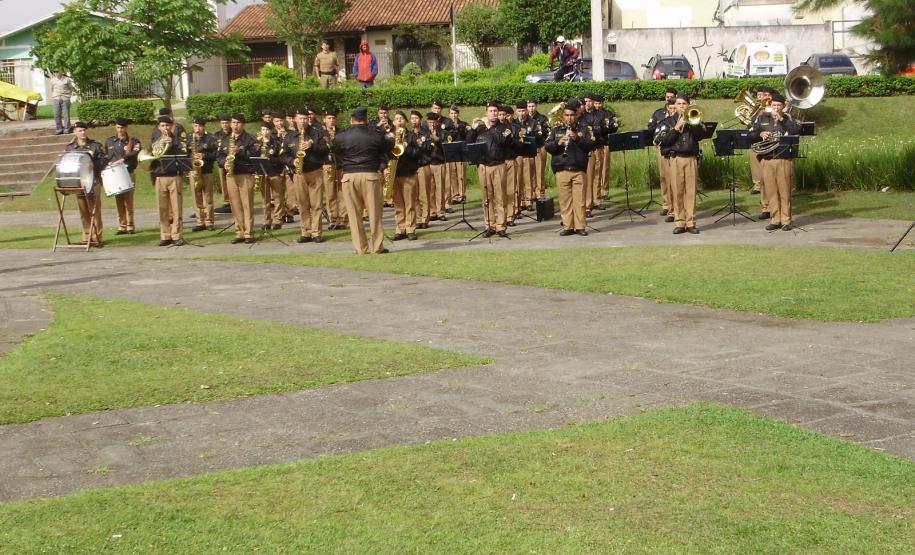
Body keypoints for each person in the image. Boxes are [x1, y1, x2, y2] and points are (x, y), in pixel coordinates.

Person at [332, 107, 393, 254]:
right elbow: (388, 149)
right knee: (375, 213)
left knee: (354, 214)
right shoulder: (376, 134)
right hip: (370, 175)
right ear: (365, 120)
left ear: (351, 120)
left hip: (349, 176)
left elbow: (335, 153)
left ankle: (360, 247)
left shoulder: (341, 136)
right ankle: (377, 246)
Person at [748, 92, 802, 231]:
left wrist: (782, 119)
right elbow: (750, 134)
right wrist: (760, 134)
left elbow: (796, 130)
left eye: (779, 105)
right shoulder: (762, 118)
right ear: (770, 105)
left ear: (783, 106)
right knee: (771, 190)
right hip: (767, 158)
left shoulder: (788, 118)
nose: (776, 108)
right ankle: (775, 219)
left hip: (783, 159)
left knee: (784, 191)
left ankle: (786, 220)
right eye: (774, 105)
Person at [656, 94, 708, 235]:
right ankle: (680, 222)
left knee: (691, 191)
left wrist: (694, 123)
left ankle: (691, 222)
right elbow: (664, 141)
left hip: (691, 158)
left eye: (684, 104)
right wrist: (676, 128)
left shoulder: (694, 119)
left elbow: (701, 136)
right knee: (677, 191)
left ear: (688, 105)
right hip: (675, 158)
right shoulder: (668, 122)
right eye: (679, 104)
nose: (681, 106)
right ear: (675, 105)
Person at [545, 100, 594, 236]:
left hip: (578, 169)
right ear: (563, 116)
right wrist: (558, 142)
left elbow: (590, 144)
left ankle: (580, 227)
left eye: (572, 115)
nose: (569, 118)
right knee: (565, 201)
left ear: (576, 115)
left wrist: (577, 139)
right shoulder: (556, 130)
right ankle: (568, 226)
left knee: (579, 201)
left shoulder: (584, 129)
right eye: (566, 115)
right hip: (562, 168)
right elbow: (547, 147)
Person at [467, 101, 513, 238]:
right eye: (490, 111)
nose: (493, 113)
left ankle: (501, 226)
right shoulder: (480, 129)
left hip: (498, 166)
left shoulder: (505, 128)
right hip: (483, 167)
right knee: (487, 198)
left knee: (500, 198)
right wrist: (473, 129)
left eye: (495, 111)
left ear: (498, 114)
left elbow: (500, 140)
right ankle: (489, 225)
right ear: (486, 113)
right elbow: (469, 142)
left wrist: (488, 126)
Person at [282, 108, 328, 243]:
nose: (303, 121)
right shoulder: (289, 136)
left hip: (315, 172)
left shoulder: (316, 133)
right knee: (302, 204)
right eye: (300, 118)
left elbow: (325, 149)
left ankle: (316, 232)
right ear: (295, 120)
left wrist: (311, 146)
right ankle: (305, 232)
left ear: (308, 119)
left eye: (305, 119)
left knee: (316, 204)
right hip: (299, 173)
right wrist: (292, 161)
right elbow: (282, 155)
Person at [217, 114, 258, 244]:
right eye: (233, 122)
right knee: (235, 205)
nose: (235, 125)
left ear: (243, 124)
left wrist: (239, 151)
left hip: (245, 174)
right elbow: (219, 155)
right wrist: (224, 162)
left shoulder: (250, 139)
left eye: (238, 123)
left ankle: (249, 233)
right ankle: (239, 232)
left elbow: (254, 154)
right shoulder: (225, 139)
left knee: (247, 205)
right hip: (231, 175)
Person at [64, 122, 106, 244]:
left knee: (95, 210)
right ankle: (86, 236)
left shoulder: (95, 145)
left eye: (84, 130)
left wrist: (94, 165)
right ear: (74, 132)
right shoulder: (70, 148)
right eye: (80, 130)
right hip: (78, 183)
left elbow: (103, 160)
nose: (82, 133)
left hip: (93, 181)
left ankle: (97, 237)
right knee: (83, 210)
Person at [150, 115, 187, 246]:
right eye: (162, 126)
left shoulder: (178, 139)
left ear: (171, 126)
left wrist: (171, 144)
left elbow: (183, 153)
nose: (165, 128)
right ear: (158, 127)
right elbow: (152, 156)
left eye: (167, 126)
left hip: (174, 176)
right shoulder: (155, 140)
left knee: (176, 208)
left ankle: (176, 235)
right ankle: (165, 235)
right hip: (160, 176)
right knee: (162, 208)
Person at [389, 110, 423, 241]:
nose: (399, 121)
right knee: (398, 204)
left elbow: (417, 152)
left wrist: (405, 146)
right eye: (396, 118)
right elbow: (385, 153)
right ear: (394, 122)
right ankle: (400, 229)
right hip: (395, 173)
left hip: (409, 173)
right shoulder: (389, 137)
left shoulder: (412, 136)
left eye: (401, 119)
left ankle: (410, 229)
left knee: (410, 203)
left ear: (405, 121)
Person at [104, 118, 141, 234]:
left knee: (128, 201)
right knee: (119, 200)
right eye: (118, 127)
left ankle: (130, 225)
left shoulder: (133, 141)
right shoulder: (110, 141)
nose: (120, 130)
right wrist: (108, 163)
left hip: (128, 172)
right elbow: (106, 155)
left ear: (126, 128)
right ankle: (122, 225)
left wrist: (123, 159)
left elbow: (135, 153)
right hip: (115, 174)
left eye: (122, 128)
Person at [648, 92, 678, 221]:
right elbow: (651, 129)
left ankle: (675, 208)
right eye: (670, 108)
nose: (672, 111)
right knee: (664, 178)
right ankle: (666, 204)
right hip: (663, 149)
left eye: (674, 109)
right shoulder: (658, 114)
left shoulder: (680, 119)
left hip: (675, 151)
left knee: (675, 181)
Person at [253, 122, 285, 230]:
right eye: (262, 130)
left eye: (266, 130)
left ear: (271, 131)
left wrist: (270, 159)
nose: (265, 132)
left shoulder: (276, 143)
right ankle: (267, 221)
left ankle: (278, 220)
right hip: (262, 173)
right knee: (265, 198)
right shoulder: (257, 144)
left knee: (277, 197)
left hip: (274, 172)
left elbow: (281, 158)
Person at [750, 86, 775, 219]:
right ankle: (766, 208)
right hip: (762, 149)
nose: (764, 99)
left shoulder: (783, 116)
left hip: (777, 151)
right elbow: (751, 129)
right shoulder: (760, 114)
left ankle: (777, 208)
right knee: (764, 180)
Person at [321, 108, 347, 229]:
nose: (331, 121)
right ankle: (333, 219)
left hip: (340, 165)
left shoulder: (341, 132)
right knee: (330, 193)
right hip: (327, 165)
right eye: (329, 118)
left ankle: (343, 219)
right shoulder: (320, 133)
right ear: (324, 120)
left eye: (333, 118)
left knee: (342, 193)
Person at [526, 99, 550, 200]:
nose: (531, 109)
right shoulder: (525, 119)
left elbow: (548, 131)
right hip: (527, 149)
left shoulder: (542, 118)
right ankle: (530, 194)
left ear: (536, 106)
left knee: (540, 171)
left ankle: (540, 193)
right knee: (528, 172)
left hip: (540, 147)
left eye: (533, 106)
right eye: (529, 106)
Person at [447, 105, 470, 205]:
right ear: (449, 114)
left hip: (461, 153)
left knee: (461, 174)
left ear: (458, 114)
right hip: (451, 153)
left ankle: (461, 195)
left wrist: (459, 127)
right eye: (452, 113)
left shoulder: (463, 124)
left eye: (455, 113)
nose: (454, 115)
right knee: (452, 174)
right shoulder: (446, 125)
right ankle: (454, 195)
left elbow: (467, 135)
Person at [213, 114, 233, 214]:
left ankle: (233, 201)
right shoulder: (217, 135)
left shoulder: (233, 133)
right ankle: (227, 202)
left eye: (226, 123)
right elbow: (215, 149)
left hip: (233, 162)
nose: (225, 125)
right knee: (224, 182)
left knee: (232, 181)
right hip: (222, 162)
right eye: (222, 123)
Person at [49, 70, 74, 135]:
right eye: (54, 72)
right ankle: (59, 129)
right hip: (56, 98)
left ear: (61, 72)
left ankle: (67, 129)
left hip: (65, 98)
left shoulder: (66, 79)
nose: (56, 73)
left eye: (57, 71)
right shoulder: (52, 80)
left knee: (66, 114)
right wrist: (55, 96)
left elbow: (70, 88)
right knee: (56, 114)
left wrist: (68, 96)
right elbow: (52, 89)